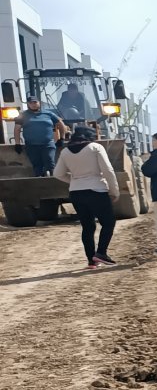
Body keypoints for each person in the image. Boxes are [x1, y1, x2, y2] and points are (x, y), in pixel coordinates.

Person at [54, 124, 120, 270]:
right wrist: (114, 190)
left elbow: (58, 174)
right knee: (108, 223)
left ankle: (91, 261)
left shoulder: (65, 151)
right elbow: (108, 170)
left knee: (87, 227)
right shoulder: (95, 148)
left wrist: (75, 180)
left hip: (76, 193)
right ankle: (101, 253)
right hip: (96, 190)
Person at [15, 95, 65, 177]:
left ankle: (53, 182)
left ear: (39, 103)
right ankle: (40, 184)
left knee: (50, 163)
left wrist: (62, 138)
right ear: (28, 104)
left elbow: (61, 124)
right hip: (31, 145)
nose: (33, 104)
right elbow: (17, 129)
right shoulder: (23, 115)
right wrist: (17, 144)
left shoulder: (49, 114)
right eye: (30, 103)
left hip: (47, 144)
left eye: (35, 102)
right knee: (37, 166)